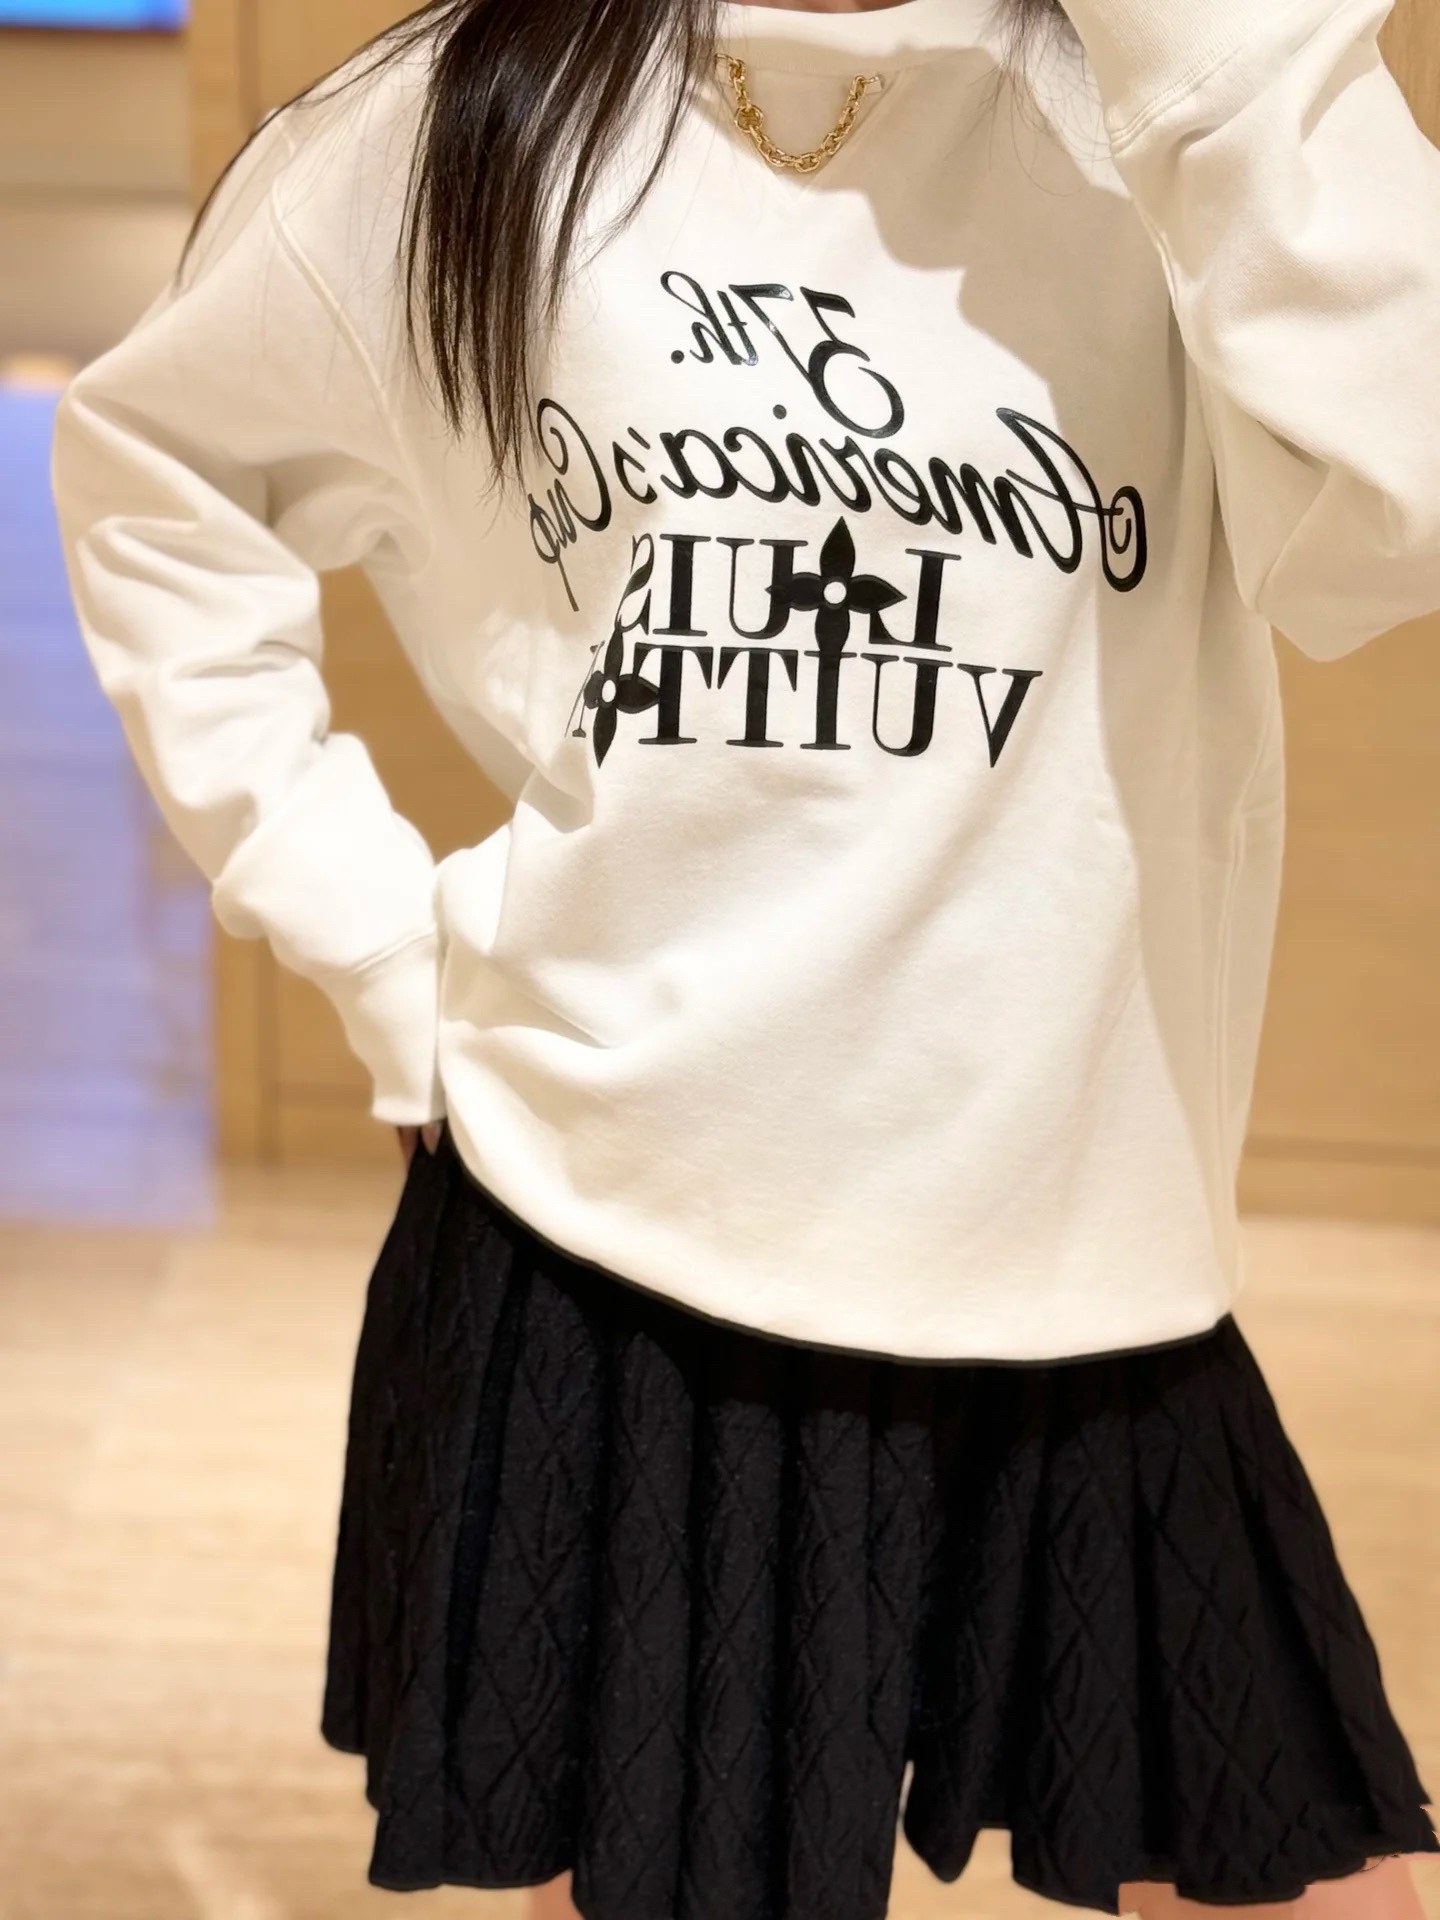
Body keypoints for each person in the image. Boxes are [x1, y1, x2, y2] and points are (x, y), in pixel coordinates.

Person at [48, 0, 1440, 1912]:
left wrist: (1207, 54)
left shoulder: (1172, 90)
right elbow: (158, 480)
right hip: (616, 1225)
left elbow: (1396, 523)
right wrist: (372, 940)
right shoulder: (462, 117)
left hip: (1077, 1229)